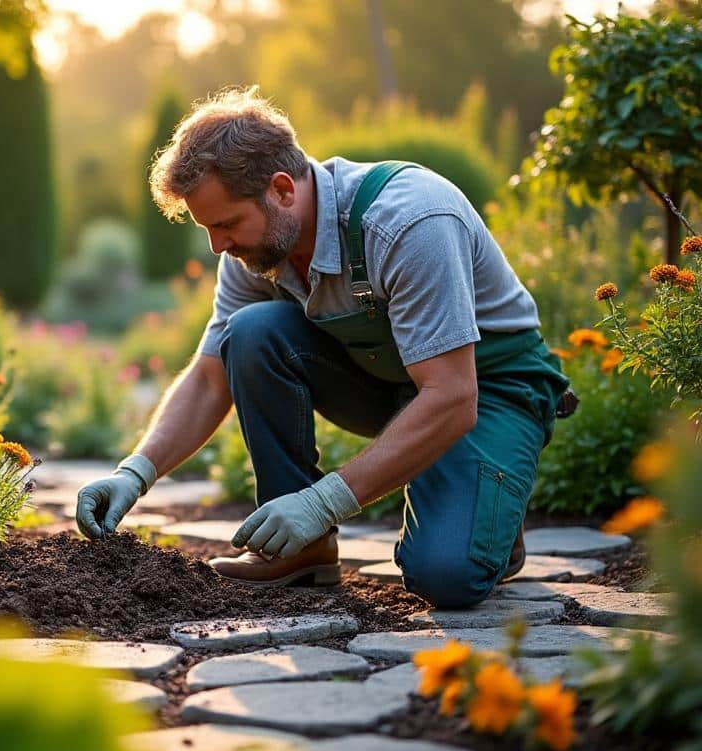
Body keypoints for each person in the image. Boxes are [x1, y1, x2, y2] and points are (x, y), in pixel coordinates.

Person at [74, 87, 569, 609]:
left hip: (486, 387)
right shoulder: (256, 252)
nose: (217, 246)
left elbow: (450, 396)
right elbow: (209, 378)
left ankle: (491, 507)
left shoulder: (408, 223)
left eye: (225, 224)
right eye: (209, 229)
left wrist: (323, 501)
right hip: (388, 382)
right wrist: (135, 471)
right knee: (250, 332)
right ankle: (300, 552)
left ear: (283, 189)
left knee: (445, 575)